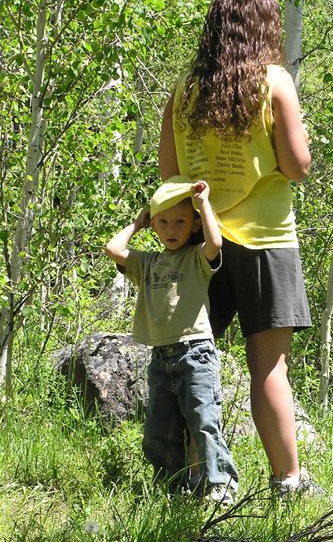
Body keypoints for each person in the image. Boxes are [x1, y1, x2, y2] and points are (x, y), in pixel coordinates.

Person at [158, 0, 319, 495]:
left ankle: (191, 477)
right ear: (262, 27)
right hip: (267, 241)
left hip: (201, 241)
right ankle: (288, 479)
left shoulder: (184, 91)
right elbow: (297, 166)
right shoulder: (274, 82)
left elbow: (170, 176)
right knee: (268, 365)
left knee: (191, 363)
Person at [105, 177, 238, 503]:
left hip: (196, 353)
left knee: (204, 421)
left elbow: (216, 244)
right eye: (163, 222)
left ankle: (219, 485)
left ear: (192, 224)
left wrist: (203, 203)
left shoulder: (195, 258)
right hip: (161, 357)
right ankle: (172, 489)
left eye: (180, 221)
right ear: (154, 226)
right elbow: (113, 249)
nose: (171, 228)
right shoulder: (148, 263)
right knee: (159, 430)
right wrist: (139, 221)